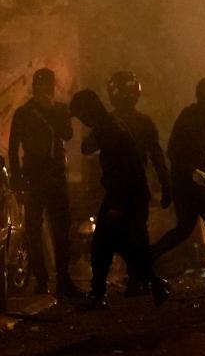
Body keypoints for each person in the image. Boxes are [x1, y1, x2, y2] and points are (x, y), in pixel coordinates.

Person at [70, 89, 170, 308]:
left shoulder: (108, 128)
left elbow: (121, 167)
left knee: (104, 244)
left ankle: (101, 294)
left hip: (124, 193)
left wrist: (117, 204)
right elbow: (89, 148)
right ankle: (153, 283)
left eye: (81, 115)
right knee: (118, 244)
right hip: (129, 192)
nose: (82, 121)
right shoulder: (109, 124)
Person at [7, 68, 82, 300]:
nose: (44, 88)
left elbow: (67, 135)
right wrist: (17, 179)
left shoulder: (59, 109)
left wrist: (53, 113)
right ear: (34, 86)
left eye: (48, 84)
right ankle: (41, 279)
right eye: (40, 84)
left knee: (61, 230)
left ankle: (62, 280)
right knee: (32, 229)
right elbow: (13, 147)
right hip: (35, 177)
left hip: (56, 176)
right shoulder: (23, 113)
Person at [150, 78, 205, 287]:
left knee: (185, 228)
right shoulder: (191, 116)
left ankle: (146, 258)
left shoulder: (204, 118)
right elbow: (173, 150)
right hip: (189, 182)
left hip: (191, 180)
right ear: (200, 95)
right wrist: (192, 170)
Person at [106, 71, 171, 295]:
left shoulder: (111, 122)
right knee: (137, 234)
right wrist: (165, 184)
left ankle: (137, 279)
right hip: (133, 186)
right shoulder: (141, 122)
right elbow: (157, 156)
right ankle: (140, 278)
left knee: (124, 235)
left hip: (120, 188)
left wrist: (165, 183)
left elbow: (89, 149)